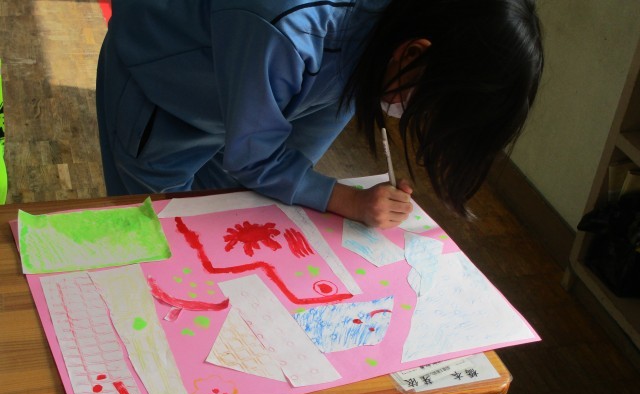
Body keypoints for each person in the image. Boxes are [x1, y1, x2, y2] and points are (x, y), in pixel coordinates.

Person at [96, 0, 543, 229]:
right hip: (163, 86)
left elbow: (290, 147)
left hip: (241, 90)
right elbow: (254, 157)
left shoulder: (385, 38)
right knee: (151, 231)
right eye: (421, 107)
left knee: (220, 215)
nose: (405, 115)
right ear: (413, 53)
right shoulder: (290, 28)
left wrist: (305, 184)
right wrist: (348, 200)